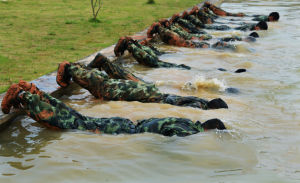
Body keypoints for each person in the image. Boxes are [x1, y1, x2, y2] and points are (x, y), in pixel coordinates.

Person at [1, 81, 227, 137]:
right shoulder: (190, 132)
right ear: (209, 131)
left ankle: (34, 91)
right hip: (125, 131)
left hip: (126, 124)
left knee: (77, 119)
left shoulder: (189, 122)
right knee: (73, 122)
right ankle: (23, 95)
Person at [56, 61, 228, 110]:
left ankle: (75, 68)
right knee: (105, 89)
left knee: (108, 85)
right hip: (146, 94)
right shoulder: (196, 105)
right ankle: (69, 67)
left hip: (149, 92)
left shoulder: (195, 101)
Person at [114, 36, 191, 70]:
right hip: (153, 60)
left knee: (172, 66)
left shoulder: (137, 49)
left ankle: (183, 67)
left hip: (153, 60)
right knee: (172, 66)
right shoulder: (139, 48)